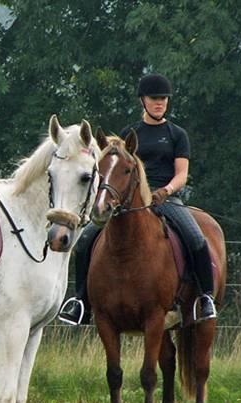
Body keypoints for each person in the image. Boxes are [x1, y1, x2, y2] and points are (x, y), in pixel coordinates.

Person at [58, 73, 217, 325]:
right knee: (86, 239)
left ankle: (205, 298)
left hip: (166, 198)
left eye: (164, 99)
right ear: (143, 100)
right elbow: (116, 167)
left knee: (196, 239)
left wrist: (165, 191)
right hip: (129, 199)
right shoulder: (130, 133)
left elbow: (182, 175)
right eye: (154, 98)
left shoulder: (177, 134)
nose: (160, 103)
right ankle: (80, 301)